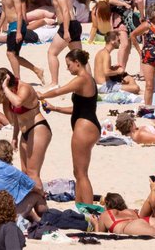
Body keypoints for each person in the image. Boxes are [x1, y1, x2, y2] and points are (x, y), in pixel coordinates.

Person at [37, 49, 98, 204]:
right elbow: (78, 109)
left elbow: (59, 90)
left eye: (68, 64)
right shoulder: (87, 79)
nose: (67, 68)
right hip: (88, 125)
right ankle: (80, 204)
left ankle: (88, 208)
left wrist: (42, 95)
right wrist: (55, 108)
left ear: (77, 63)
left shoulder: (82, 79)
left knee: (81, 173)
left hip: (85, 127)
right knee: (78, 172)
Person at [0, 0, 43, 82]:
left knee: (10, 53)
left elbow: (20, 13)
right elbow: (4, 11)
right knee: (15, 55)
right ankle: (37, 70)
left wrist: (19, 31)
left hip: (18, 25)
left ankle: (17, 80)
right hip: (12, 25)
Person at [44, 0, 81, 85]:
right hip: (74, 24)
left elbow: (65, 10)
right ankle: (89, 81)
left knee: (52, 53)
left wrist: (65, 31)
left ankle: (54, 83)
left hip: (68, 25)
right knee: (80, 57)